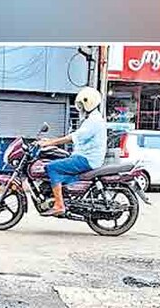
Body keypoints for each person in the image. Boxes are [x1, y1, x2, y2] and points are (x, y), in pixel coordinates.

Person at [35, 87, 107, 216]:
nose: (79, 108)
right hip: (84, 157)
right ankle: (63, 195)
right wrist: (49, 141)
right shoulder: (91, 119)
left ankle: (59, 205)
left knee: (51, 167)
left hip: (87, 159)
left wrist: (49, 142)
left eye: (80, 105)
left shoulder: (93, 121)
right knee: (58, 162)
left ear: (88, 103)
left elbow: (73, 138)